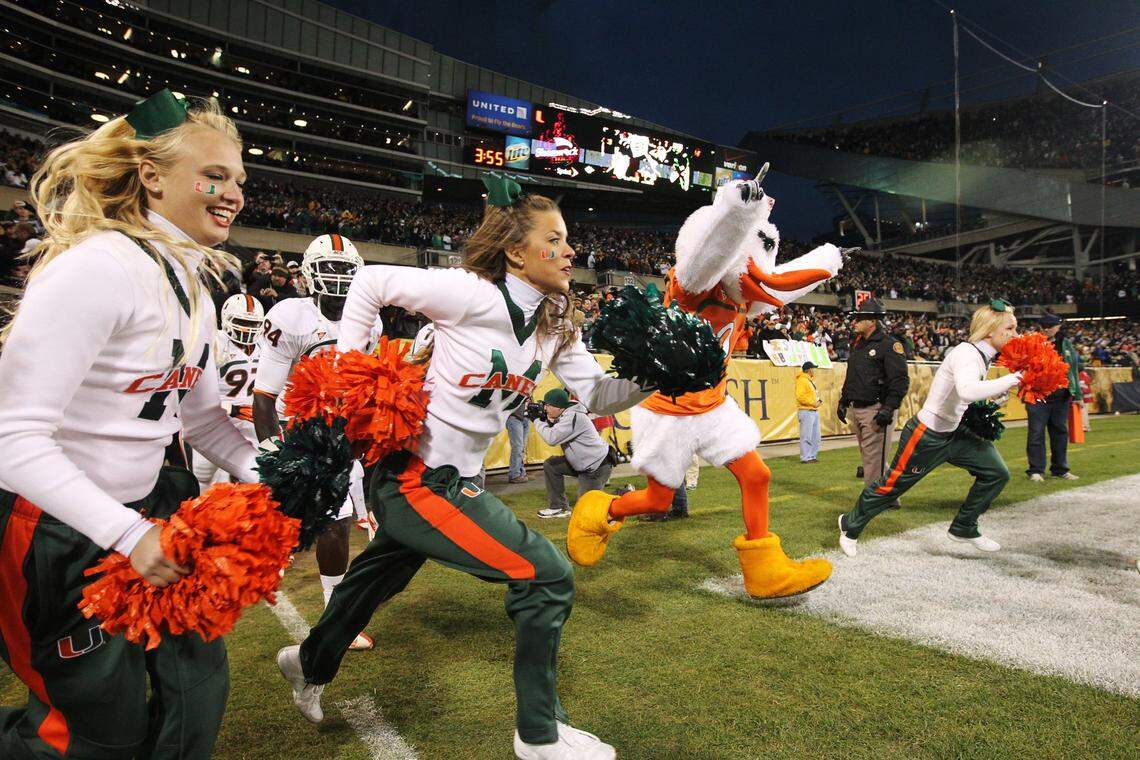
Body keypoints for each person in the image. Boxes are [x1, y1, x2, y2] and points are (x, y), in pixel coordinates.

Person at [276, 177, 653, 759]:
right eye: (555, 239)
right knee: (545, 574)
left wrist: (660, 376)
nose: (572, 251)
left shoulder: (553, 323)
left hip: (453, 482)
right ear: (516, 253)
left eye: (569, 239)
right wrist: (347, 370)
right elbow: (371, 281)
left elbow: (599, 395)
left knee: (381, 575)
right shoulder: (473, 294)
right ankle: (538, 735)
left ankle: (307, 661)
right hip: (416, 478)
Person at [0, 90, 259, 758]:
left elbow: (203, 422)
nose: (232, 193)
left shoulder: (192, 283)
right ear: (152, 176)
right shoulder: (95, 269)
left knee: (194, 702)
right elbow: (12, 439)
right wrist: (126, 531)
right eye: (215, 176)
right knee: (91, 737)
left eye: (238, 180)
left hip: (156, 516)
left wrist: (275, 474)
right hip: (58, 533)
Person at [253, 233, 373, 651]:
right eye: (331, 267)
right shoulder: (290, 314)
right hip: (296, 429)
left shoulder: (368, 318)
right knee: (282, 519)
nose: (338, 278)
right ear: (308, 273)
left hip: (338, 431)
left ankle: (333, 615)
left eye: (345, 269)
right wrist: (274, 455)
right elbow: (264, 396)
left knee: (336, 525)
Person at [838, 301, 1024, 556]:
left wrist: (998, 394)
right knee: (892, 485)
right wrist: (1014, 379)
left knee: (996, 472)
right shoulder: (967, 354)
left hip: (955, 432)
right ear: (990, 330)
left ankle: (964, 526)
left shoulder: (981, 355)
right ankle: (850, 525)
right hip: (927, 434)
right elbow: (967, 390)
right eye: (1010, 328)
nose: (1015, 335)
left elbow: (964, 396)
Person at [837, 298, 909, 503]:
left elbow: (900, 380)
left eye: (859, 318)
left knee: (872, 460)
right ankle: (890, 497)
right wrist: (844, 401)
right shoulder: (859, 345)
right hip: (858, 408)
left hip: (876, 409)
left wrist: (888, 407)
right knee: (872, 457)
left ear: (872, 321)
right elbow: (852, 377)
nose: (855, 322)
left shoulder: (889, 345)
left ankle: (871, 502)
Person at [192, 294, 264, 491]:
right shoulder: (215, 342)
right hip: (216, 419)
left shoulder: (264, 345)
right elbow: (196, 392)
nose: (246, 329)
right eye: (241, 322)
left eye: (253, 323)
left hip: (251, 420)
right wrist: (231, 407)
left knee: (258, 475)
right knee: (201, 476)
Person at [534, 388, 613, 519]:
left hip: (596, 468)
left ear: (559, 407)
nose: (545, 408)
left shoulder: (574, 416)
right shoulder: (566, 413)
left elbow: (552, 438)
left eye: (548, 405)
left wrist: (537, 421)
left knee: (587, 512)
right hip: (582, 464)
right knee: (552, 465)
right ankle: (559, 507)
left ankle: (625, 494)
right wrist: (544, 420)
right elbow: (556, 428)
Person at [1026, 313, 1081, 482]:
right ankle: (1036, 470)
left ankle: (1060, 468)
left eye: (1053, 326)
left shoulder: (1065, 344)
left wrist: (1077, 394)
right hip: (1037, 395)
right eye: (1047, 326)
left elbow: (1073, 369)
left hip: (1061, 395)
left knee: (1060, 432)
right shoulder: (1031, 344)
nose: (1050, 329)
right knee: (1036, 433)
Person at [796, 361, 822, 463]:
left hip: (813, 410)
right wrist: (813, 403)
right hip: (806, 410)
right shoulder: (802, 380)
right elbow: (800, 397)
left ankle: (812, 456)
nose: (814, 370)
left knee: (816, 436)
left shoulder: (808, 380)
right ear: (809, 369)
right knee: (806, 435)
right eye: (813, 368)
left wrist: (817, 401)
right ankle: (805, 457)